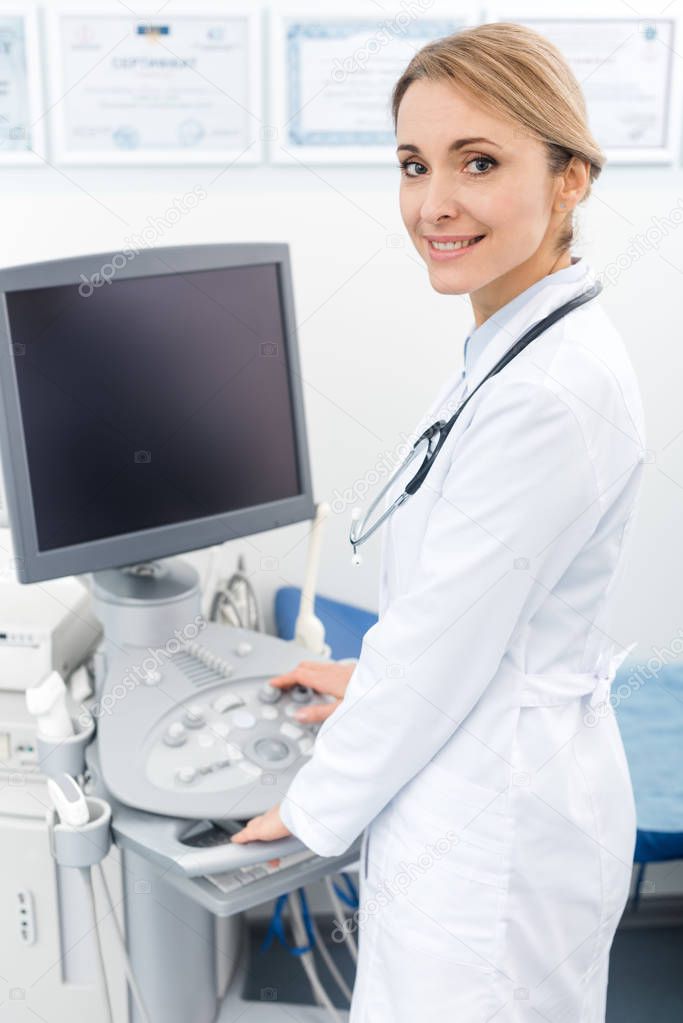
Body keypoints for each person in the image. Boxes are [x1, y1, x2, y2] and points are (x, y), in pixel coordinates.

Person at [232, 21, 646, 1021]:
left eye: (478, 162)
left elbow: (448, 637)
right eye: (413, 165)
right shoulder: (511, 346)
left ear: (568, 179)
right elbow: (467, 610)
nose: (432, 204)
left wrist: (311, 806)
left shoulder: (549, 392)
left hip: (496, 836)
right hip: (484, 782)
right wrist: (367, 677)